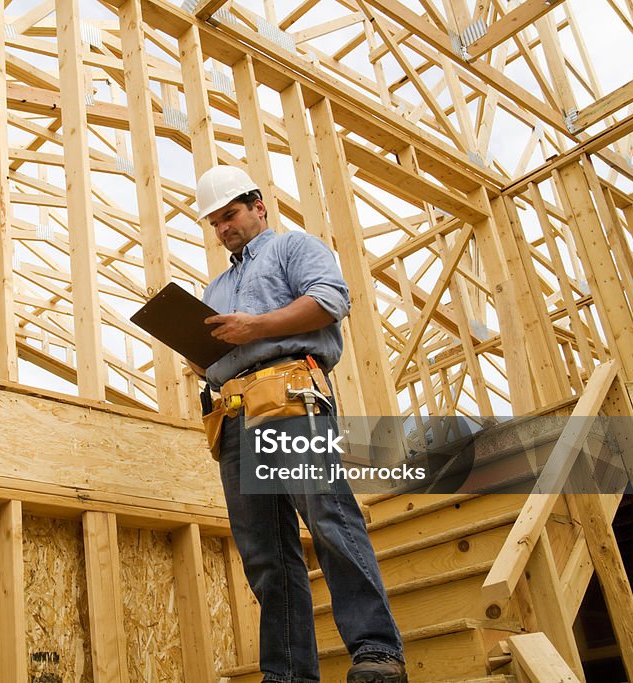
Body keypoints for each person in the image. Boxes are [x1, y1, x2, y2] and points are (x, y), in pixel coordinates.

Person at [191, 166, 407, 683]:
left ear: (258, 206)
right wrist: (198, 356)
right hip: (236, 415)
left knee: (328, 519)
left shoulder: (293, 248)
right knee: (264, 554)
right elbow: (208, 361)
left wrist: (256, 326)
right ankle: (288, 674)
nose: (224, 228)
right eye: (215, 222)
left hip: (289, 395)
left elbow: (331, 301)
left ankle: (376, 651)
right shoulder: (215, 286)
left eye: (231, 215)